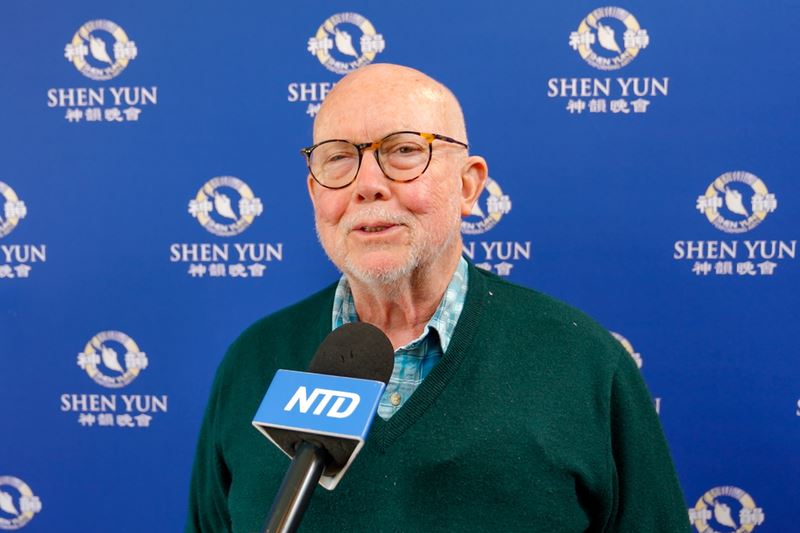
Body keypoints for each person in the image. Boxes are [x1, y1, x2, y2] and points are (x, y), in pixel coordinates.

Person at [185, 63, 690, 532]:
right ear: (316, 194)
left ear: (468, 186)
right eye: (338, 158)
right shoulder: (253, 360)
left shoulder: (583, 362)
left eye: (403, 151)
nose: (367, 184)